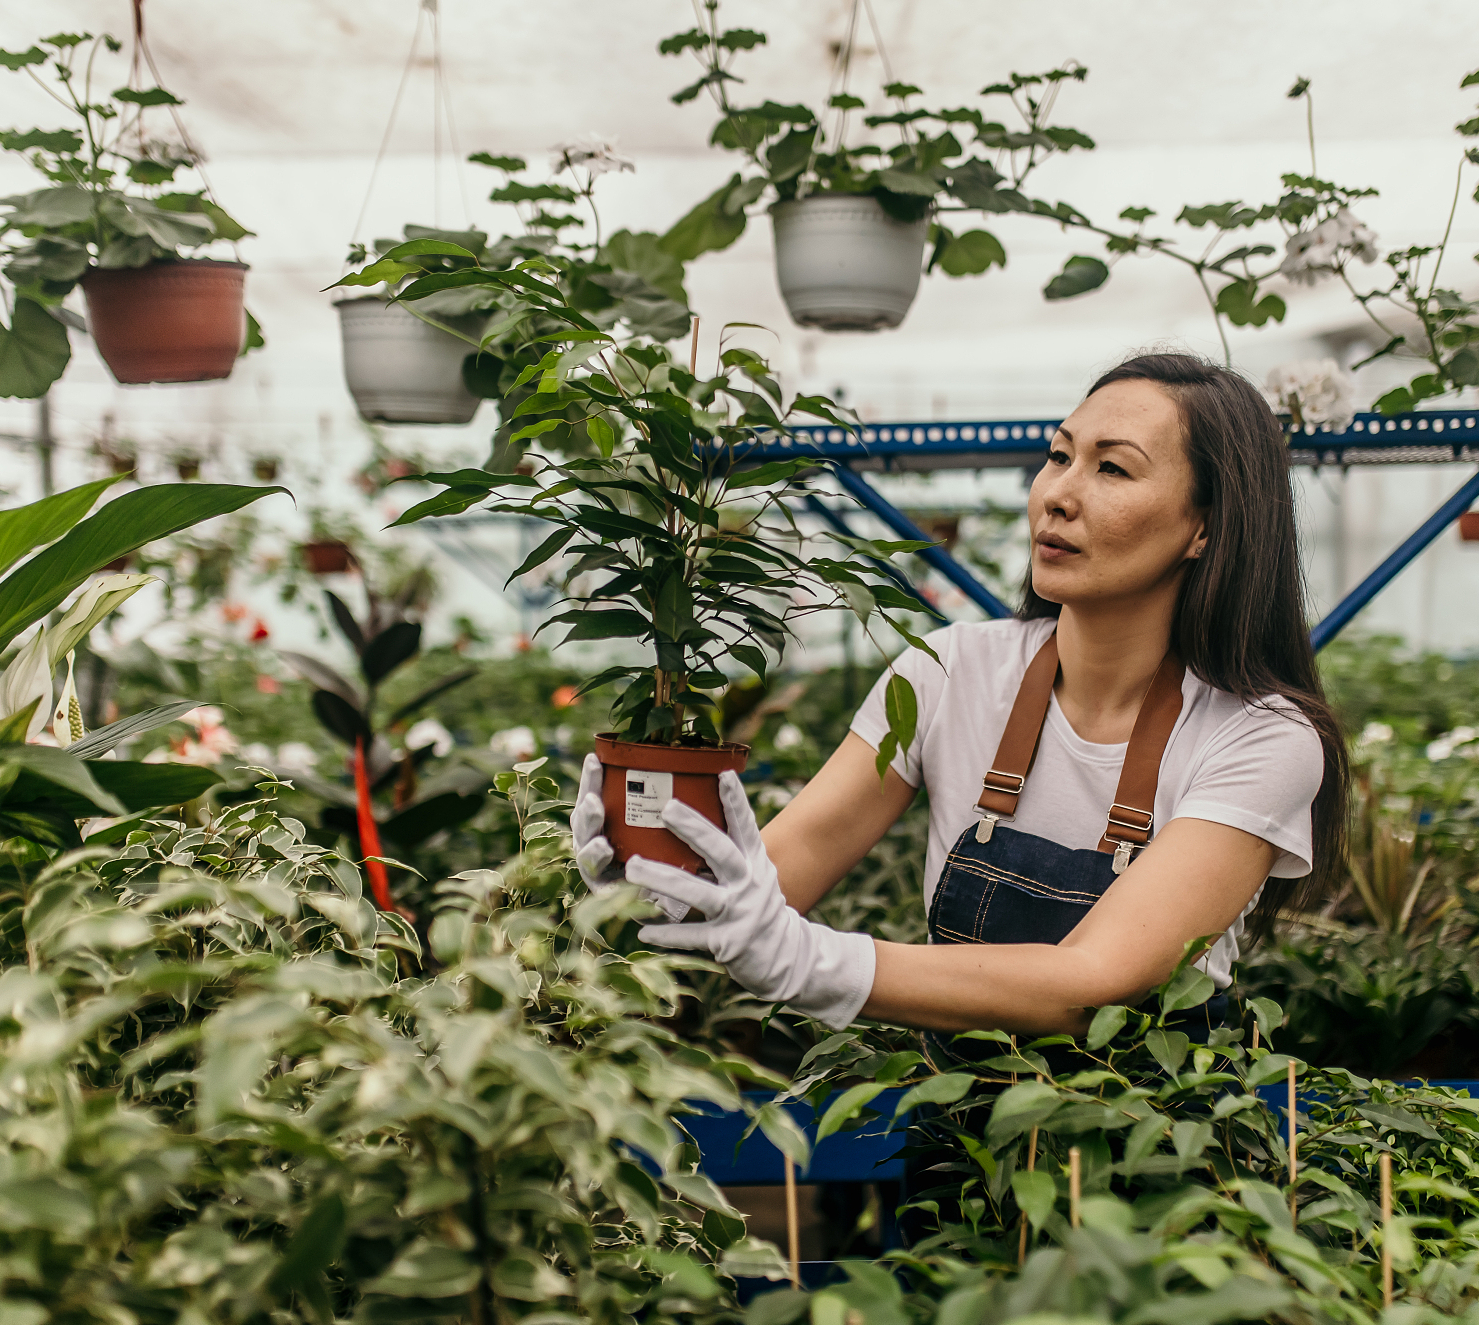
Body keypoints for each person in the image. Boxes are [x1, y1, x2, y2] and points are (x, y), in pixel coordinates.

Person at [570, 351, 1349, 1037]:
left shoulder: (1262, 737)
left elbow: (1095, 985)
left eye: (1112, 468)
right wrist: (656, 886)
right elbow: (788, 862)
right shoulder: (946, 673)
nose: (1057, 494)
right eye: (1058, 456)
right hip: (961, 1158)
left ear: (1204, 528)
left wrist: (814, 960)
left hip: (1161, 1165)